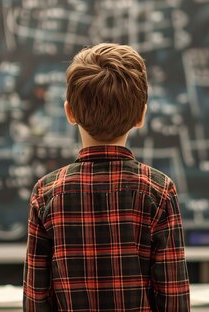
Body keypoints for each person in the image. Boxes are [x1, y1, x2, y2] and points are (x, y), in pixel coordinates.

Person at [23, 43, 190, 311]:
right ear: (141, 116)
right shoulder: (159, 191)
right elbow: (174, 299)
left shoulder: (46, 193)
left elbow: (36, 300)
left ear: (69, 112)